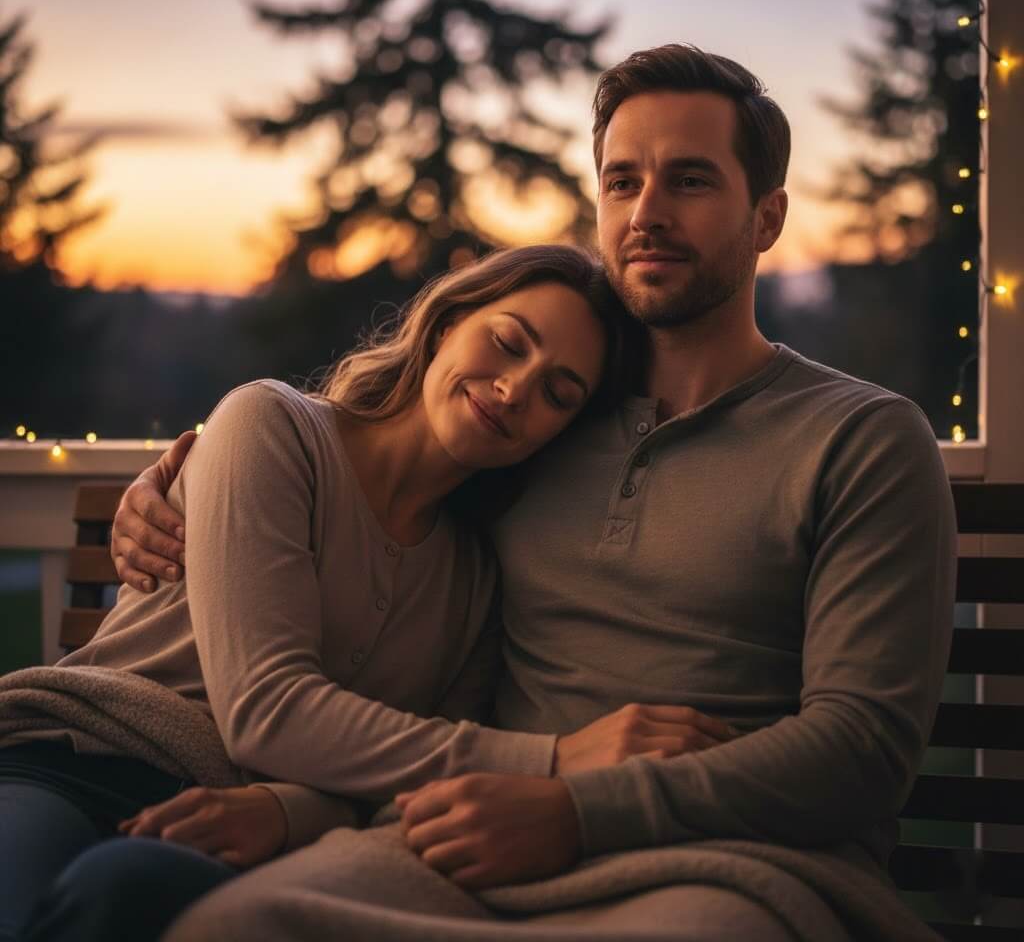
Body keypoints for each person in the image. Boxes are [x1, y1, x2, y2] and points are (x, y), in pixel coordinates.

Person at [107, 44, 955, 942]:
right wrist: (176, 487)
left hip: (732, 860)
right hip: (462, 840)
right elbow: (365, 477)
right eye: (622, 181)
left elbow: (862, 748)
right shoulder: (544, 424)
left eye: (692, 181)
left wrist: (578, 810)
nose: (648, 213)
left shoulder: (863, 438)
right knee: (230, 928)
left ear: (768, 216)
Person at [1, 244, 714, 942]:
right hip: (73, 762)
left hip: (237, 833)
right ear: (444, 324)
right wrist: (556, 759)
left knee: (124, 890)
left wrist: (286, 812)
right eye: (507, 342)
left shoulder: (478, 580)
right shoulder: (273, 427)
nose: (515, 388)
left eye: (559, 393)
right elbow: (267, 710)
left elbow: (401, 783)